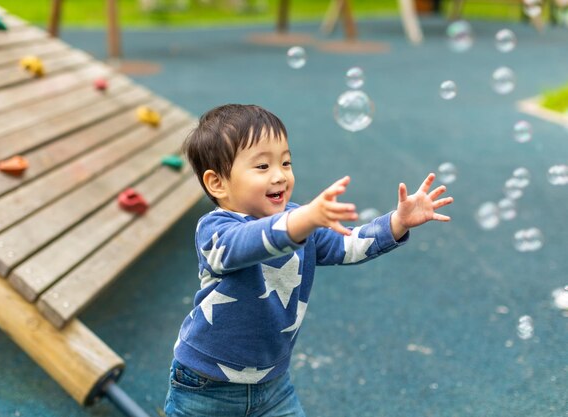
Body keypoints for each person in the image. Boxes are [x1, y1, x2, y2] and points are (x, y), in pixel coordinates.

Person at [164, 104, 453, 416]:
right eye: (262, 166)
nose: (280, 175)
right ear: (217, 182)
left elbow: (348, 245)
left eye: (286, 162)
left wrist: (397, 222)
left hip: (273, 384)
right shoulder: (215, 230)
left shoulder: (299, 219)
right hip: (206, 384)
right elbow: (246, 243)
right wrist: (305, 220)